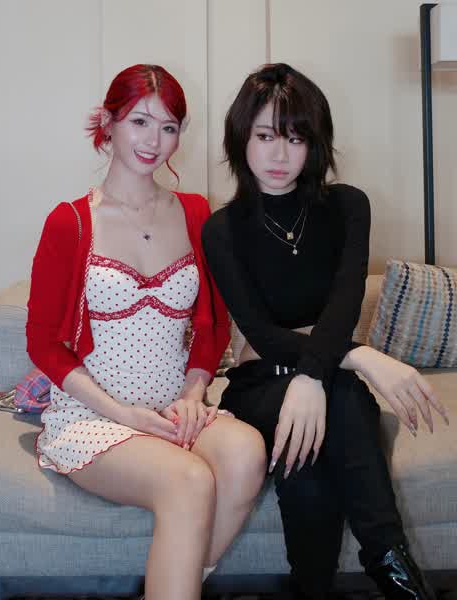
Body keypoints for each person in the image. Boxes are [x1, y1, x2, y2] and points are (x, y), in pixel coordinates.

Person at [201, 63, 449, 600]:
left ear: (315, 144)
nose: (279, 154)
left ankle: (320, 587)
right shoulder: (223, 229)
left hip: (325, 376)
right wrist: (361, 357)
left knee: (314, 452)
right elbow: (262, 334)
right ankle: (397, 573)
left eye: (296, 138)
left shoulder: (347, 206)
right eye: (265, 136)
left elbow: (343, 305)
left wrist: (311, 376)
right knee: (345, 397)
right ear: (241, 139)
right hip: (259, 385)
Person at [26, 64, 267, 600]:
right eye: (139, 121)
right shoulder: (71, 222)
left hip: (174, 408)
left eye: (168, 126)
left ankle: (171, 586)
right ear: (108, 123)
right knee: (189, 480)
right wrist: (124, 415)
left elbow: (213, 324)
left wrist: (193, 394)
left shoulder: (196, 213)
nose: (153, 141)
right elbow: (42, 342)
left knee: (247, 452)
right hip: (95, 418)